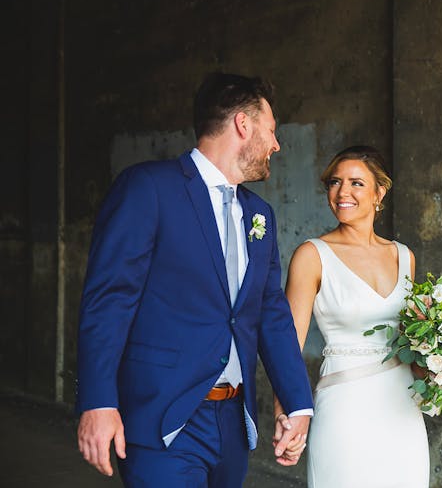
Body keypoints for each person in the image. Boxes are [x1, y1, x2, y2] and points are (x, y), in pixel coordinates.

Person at [76, 72, 314, 487]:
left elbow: (270, 312)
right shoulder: (148, 187)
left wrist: (297, 403)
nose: (276, 144)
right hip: (163, 416)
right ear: (244, 124)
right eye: (271, 131)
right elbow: (110, 300)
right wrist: (97, 401)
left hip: (234, 423)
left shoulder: (261, 215)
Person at [275, 146, 429, 487]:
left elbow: (411, 339)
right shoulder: (312, 255)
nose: (343, 192)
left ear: (380, 192)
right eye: (335, 182)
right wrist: (285, 415)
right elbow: (285, 346)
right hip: (344, 406)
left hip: (402, 406)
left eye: (356, 183)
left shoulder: (404, 257)